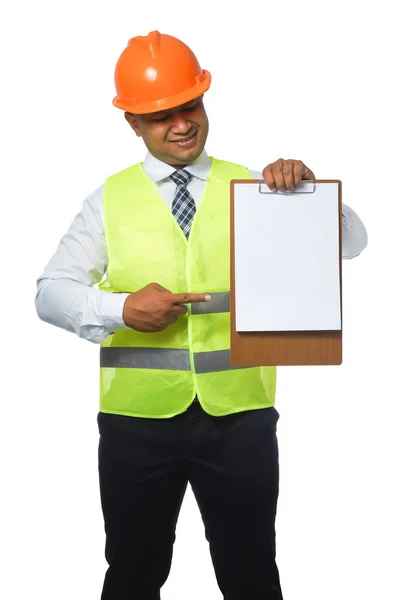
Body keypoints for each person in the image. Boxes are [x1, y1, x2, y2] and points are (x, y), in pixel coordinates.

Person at [35, 30, 368, 600]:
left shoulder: (256, 185)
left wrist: (310, 195)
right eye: (161, 115)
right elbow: (50, 293)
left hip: (241, 420)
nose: (182, 124)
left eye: (189, 105)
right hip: (136, 425)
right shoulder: (108, 199)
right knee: (133, 575)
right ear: (133, 124)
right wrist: (119, 309)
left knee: (252, 577)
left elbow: (352, 243)